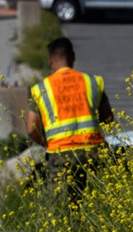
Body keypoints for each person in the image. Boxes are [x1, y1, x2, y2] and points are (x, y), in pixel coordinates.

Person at [26, 37, 114, 201]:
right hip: (93, 150)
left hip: (60, 153)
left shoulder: (40, 89)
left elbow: (31, 129)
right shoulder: (93, 82)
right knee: (94, 202)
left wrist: (48, 143)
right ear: (73, 57)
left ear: (50, 61)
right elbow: (108, 118)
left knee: (60, 205)